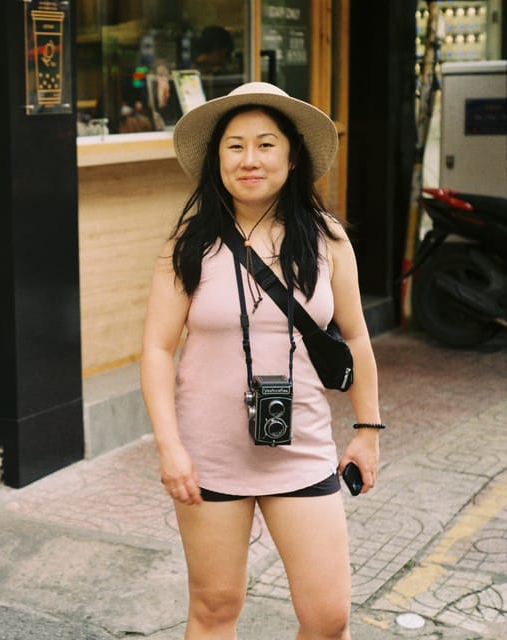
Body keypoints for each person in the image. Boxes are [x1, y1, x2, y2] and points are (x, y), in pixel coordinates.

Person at [140, 82, 383, 639]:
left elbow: (358, 338)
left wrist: (367, 430)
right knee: (215, 609)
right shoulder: (187, 246)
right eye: (235, 146)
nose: (250, 159)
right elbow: (156, 349)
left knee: (328, 618)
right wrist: (170, 447)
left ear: (292, 157)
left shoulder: (329, 241)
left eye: (266, 144)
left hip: (302, 448)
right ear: (216, 159)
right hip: (210, 456)